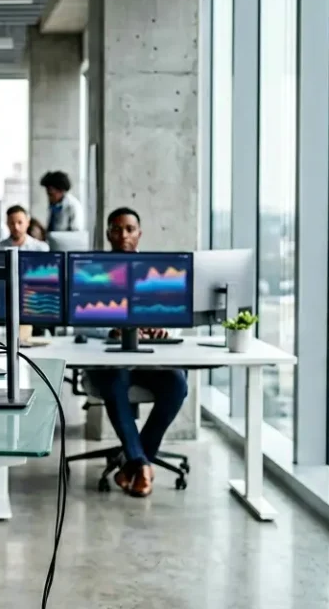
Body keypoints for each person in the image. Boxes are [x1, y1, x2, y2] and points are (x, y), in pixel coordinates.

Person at [86, 206, 188, 498]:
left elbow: (176, 316)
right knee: (114, 381)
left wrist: (165, 331)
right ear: (108, 234)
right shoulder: (93, 271)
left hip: (149, 360)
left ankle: (134, 462)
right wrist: (110, 331)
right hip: (109, 362)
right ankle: (142, 465)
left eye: (129, 229)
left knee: (177, 384)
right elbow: (76, 325)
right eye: (116, 229)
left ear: (139, 233)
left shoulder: (157, 270)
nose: (123, 235)